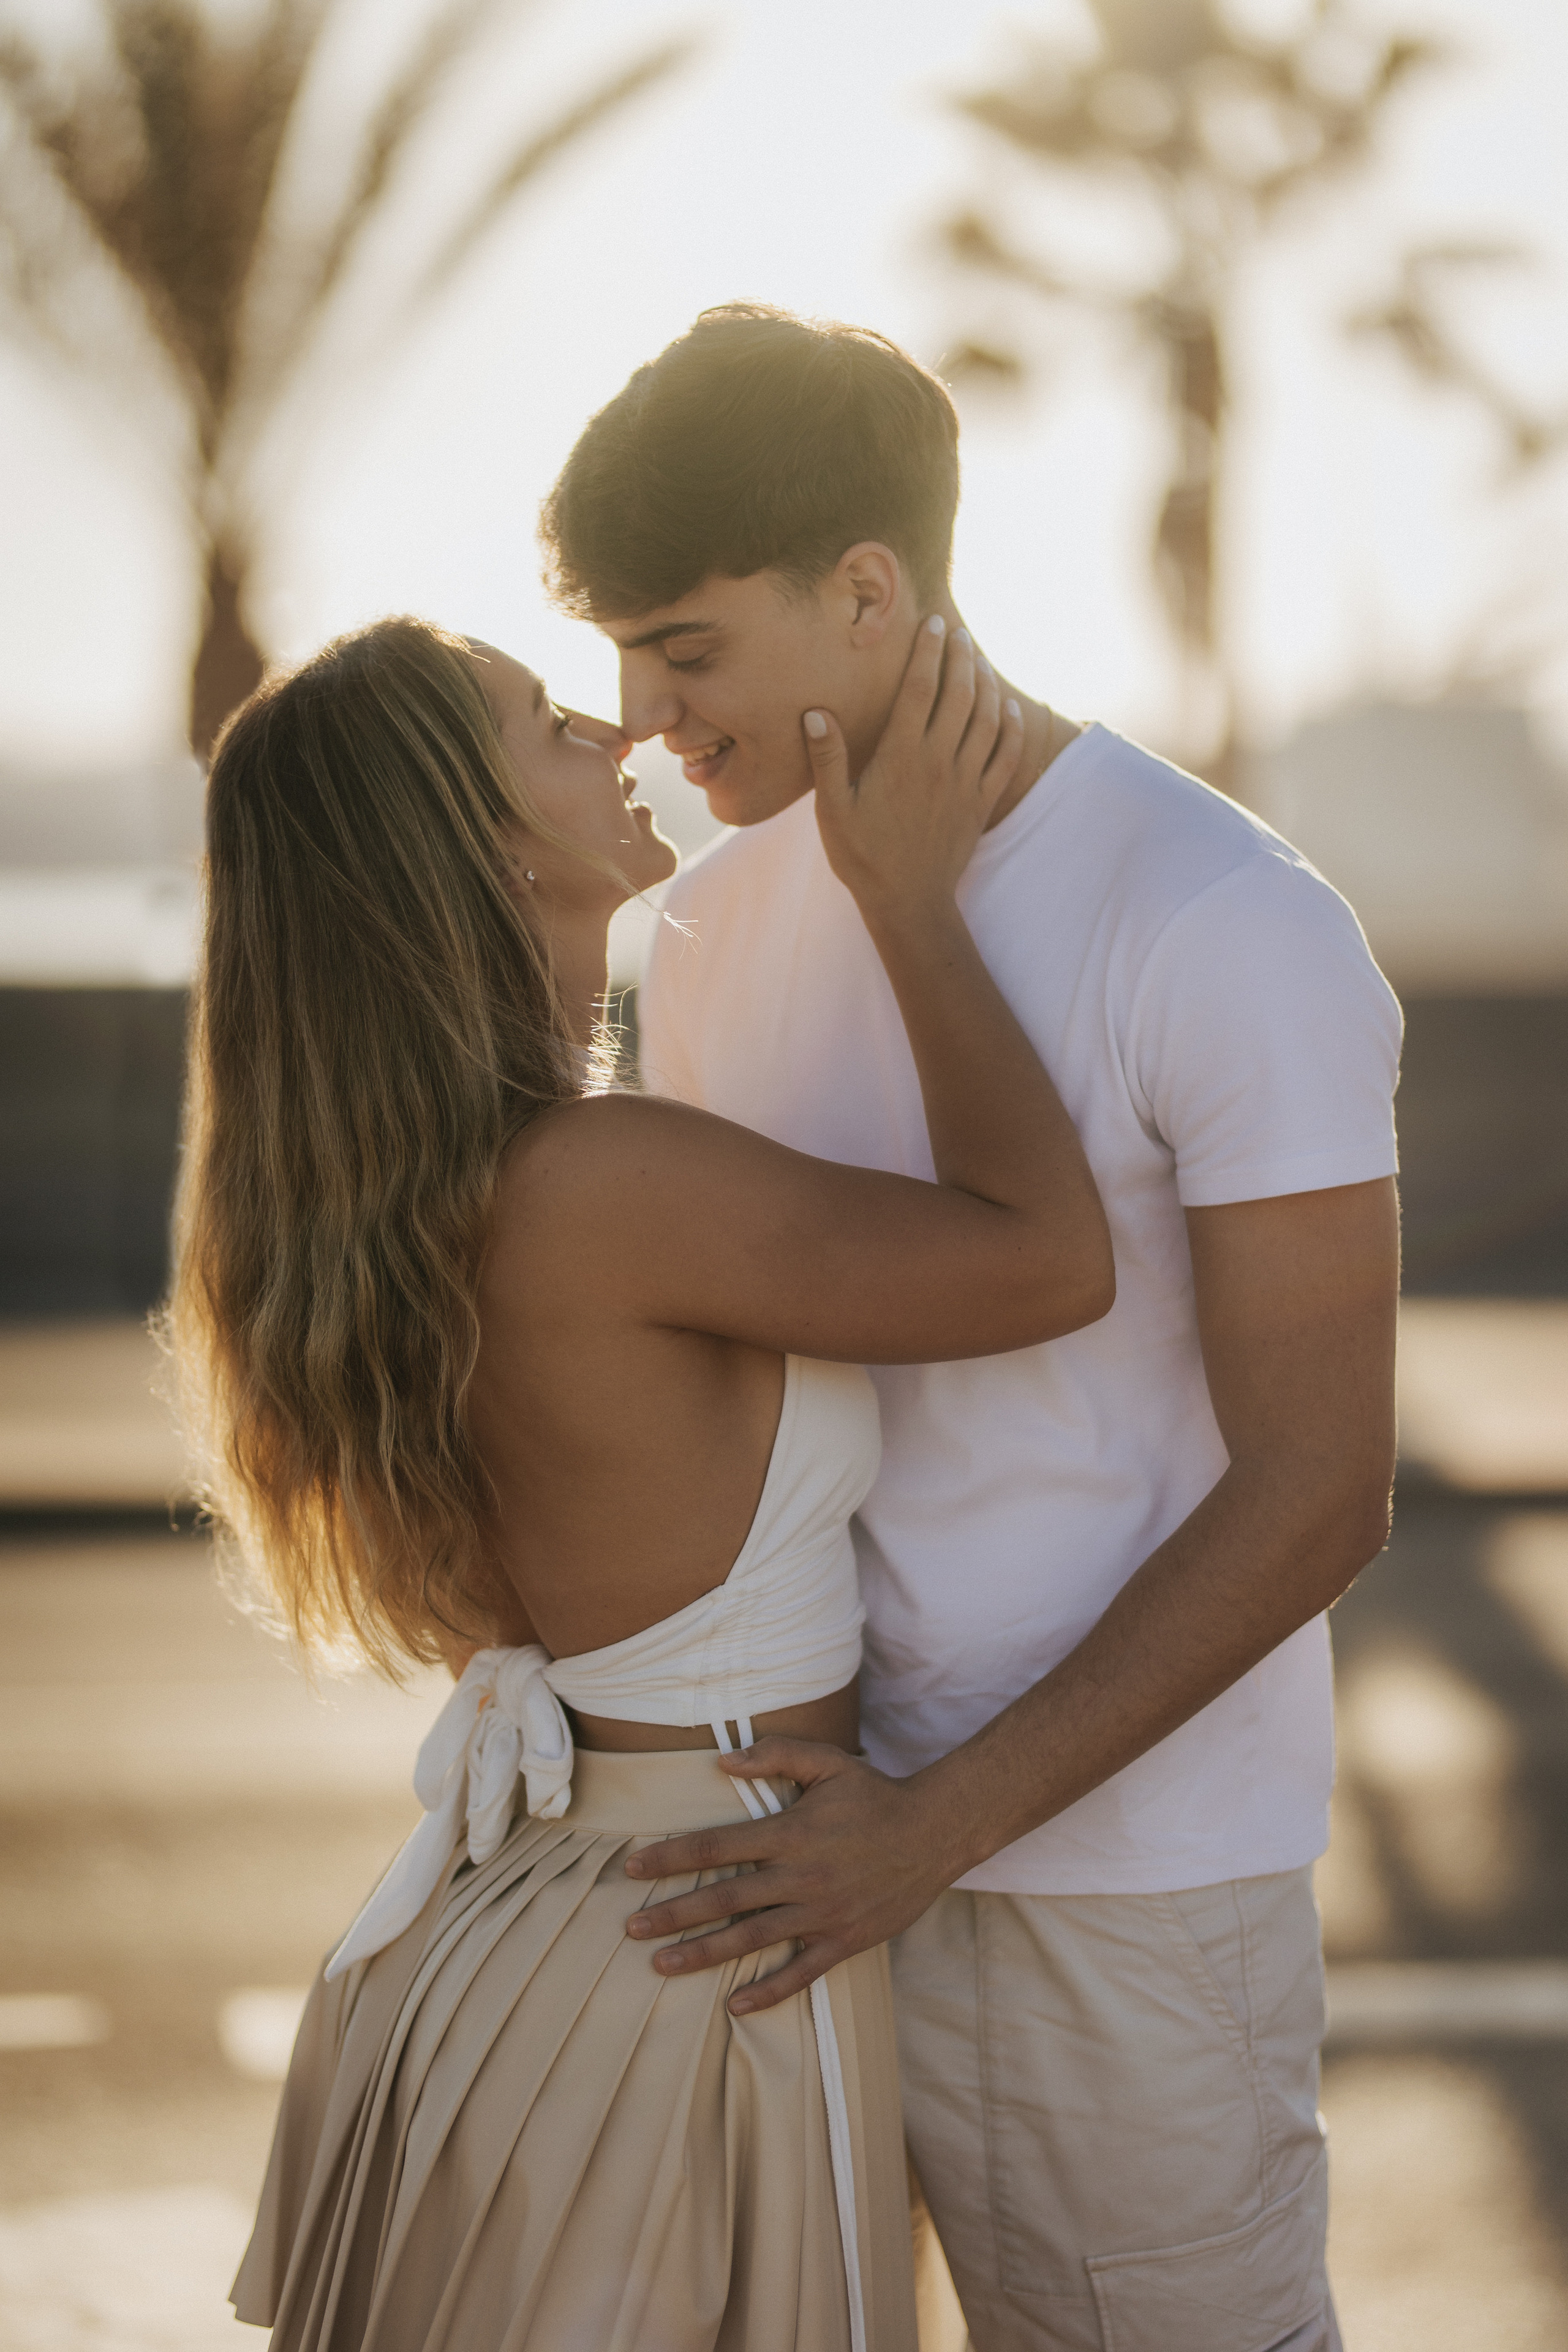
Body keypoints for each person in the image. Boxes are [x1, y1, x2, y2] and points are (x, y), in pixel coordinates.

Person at [540, 303, 1403, 2352]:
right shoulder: (713, 926)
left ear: (867, 594)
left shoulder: (1225, 920)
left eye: (687, 650)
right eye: (621, 665)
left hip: (1112, 1894)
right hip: (786, 1866)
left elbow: (1320, 1489)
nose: (648, 723)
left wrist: (936, 1828)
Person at [167, 611, 1114, 2351]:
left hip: (542, 1938)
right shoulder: (599, 1182)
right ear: (474, 841)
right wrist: (910, 900)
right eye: (545, 724)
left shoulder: (402, 1212)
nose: (612, 735)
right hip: (702, 1952)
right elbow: (1051, 1260)